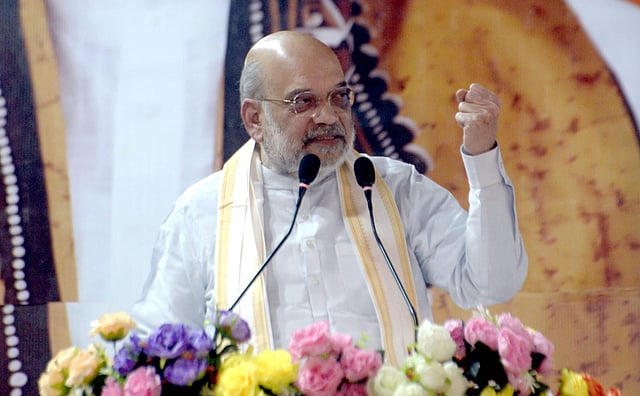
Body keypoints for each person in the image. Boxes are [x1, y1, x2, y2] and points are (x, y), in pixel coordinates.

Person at [131, 30, 527, 364]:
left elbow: (492, 283)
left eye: (339, 97)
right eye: (304, 101)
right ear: (254, 119)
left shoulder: (394, 189)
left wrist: (482, 158)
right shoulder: (202, 213)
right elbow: (158, 347)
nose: (328, 116)